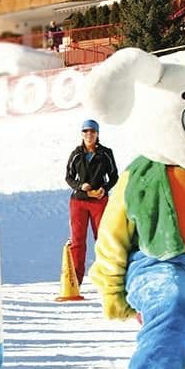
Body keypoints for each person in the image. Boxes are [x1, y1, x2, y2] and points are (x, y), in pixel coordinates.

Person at [64, 117, 119, 287]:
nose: (89, 134)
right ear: (82, 134)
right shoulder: (76, 154)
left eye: (92, 131)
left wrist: (105, 188)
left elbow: (114, 176)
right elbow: (69, 177)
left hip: (99, 201)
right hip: (78, 202)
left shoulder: (105, 153)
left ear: (97, 134)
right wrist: (80, 186)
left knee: (102, 240)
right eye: (86, 131)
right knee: (77, 241)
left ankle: (106, 279)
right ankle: (75, 281)